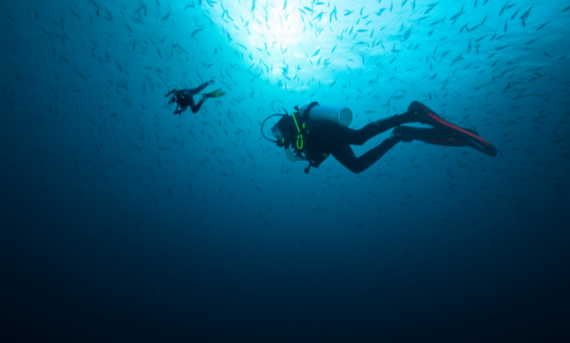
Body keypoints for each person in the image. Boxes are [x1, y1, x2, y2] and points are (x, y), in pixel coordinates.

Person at [263, 101, 497, 174]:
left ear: (278, 127)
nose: (277, 138)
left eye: (275, 133)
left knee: (360, 137)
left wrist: (300, 152)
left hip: (327, 132)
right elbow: (318, 154)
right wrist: (302, 158)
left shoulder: (290, 127)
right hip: (330, 143)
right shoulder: (294, 140)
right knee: (356, 166)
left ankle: (410, 114)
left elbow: (310, 141)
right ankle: (398, 135)